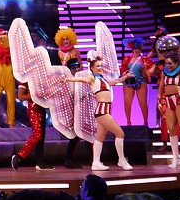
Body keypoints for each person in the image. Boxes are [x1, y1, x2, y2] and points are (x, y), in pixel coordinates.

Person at [62, 51, 134, 170]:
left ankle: (95, 163)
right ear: (92, 68)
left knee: (100, 138)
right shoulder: (92, 78)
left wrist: (125, 77)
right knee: (120, 133)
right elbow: (80, 79)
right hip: (102, 111)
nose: (100, 68)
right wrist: (68, 79)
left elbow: (115, 82)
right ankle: (121, 160)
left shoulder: (103, 80)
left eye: (101, 66)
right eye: (98, 66)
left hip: (106, 110)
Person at [55, 27, 85, 168]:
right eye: (64, 39)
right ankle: (69, 158)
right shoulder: (58, 53)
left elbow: (81, 67)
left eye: (68, 39)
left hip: (74, 84)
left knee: (78, 129)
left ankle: (72, 159)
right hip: (63, 85)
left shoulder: (75, 52)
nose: (66, 41)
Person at [10, 80, 53, 170]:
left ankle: (40, 162)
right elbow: (20, 96)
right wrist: (35, 97)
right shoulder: (25, 79)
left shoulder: (39, 78)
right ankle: (19, 156)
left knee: (41, 136)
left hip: (41, 107)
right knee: (37, 135)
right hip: (33, 109)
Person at [120, 37, 154, 127]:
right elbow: (123, 68)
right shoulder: (127, 58)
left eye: (138, 49)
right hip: (129, 80)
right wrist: (124, 73)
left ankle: (145, 122)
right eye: (135, 49)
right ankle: (128, 122)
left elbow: (148, 74)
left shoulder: (145, 59)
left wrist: (145, 68)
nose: (137, 51)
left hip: (140, 80)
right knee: (127, 102)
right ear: (132, 49)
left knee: (142, 103)